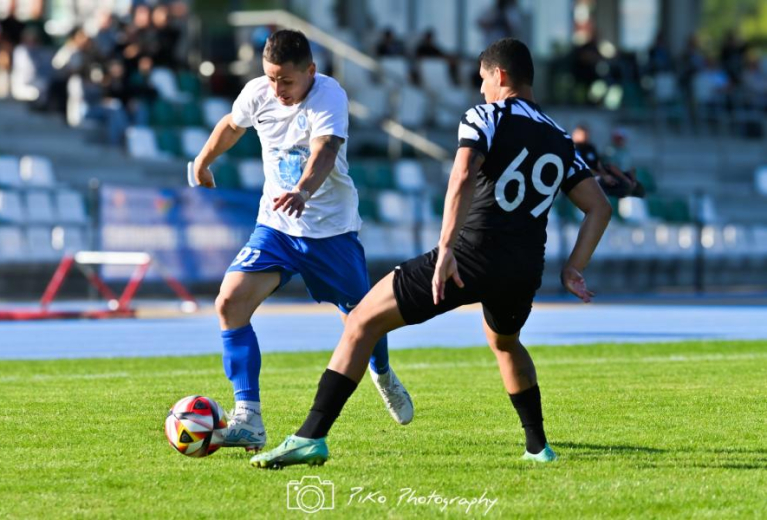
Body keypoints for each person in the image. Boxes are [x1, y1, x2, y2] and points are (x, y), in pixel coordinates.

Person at [251, 38, 612, 469]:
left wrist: (445, 250)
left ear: (499, 76)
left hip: (471, 256)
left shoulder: (486, 117)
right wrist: (574, 267)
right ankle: (538, 447)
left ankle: (311, 436)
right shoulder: (559, 137)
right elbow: (599, 207)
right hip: (524, 268)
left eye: (482, 80)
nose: (481, 90)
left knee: (362, 320)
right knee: (505, 342)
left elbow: (462, 174)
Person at [191, 29, 414, 452]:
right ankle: (249, 417)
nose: (277, 90)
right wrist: (203, 159)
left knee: (363, 319)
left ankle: (382, 372)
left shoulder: (329, 95)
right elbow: (231, 125)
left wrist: (305, 191)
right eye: (271, 78)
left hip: (329, 231)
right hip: (276, 228)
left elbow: (325, 151)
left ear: (311, 71)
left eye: (286, 81)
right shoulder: (259, 92)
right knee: (229, 302)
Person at [572, 124, 644, 199]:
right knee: (604, 182)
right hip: (584, 178)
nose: (585, 136)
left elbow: (598, 164)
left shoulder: (591, 148)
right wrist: (603, 176)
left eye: (586, 133)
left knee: (630, 187)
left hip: (598, 176)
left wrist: (605, 175)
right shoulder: (573, 149)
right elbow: (582, 168)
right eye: (582, 134)